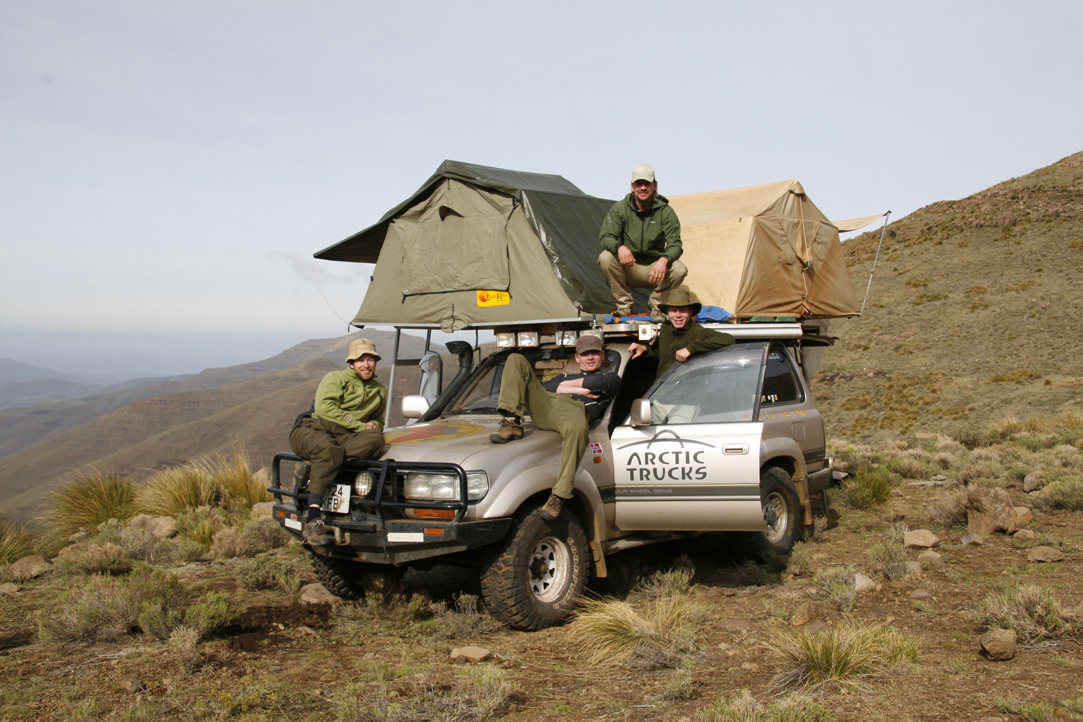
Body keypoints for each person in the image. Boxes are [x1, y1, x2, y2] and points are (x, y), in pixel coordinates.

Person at [489, 335, 621, 520]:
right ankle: (512, 421)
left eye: (594, 353)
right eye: (585, 354)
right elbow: (546, 388)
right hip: (547, 406)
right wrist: (580, 390)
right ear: (577, 358)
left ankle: (559, 495)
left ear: (602, 355)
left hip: (574, 412)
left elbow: (601, 384)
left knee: (578, 429)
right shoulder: (565, 375)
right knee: (515, 358)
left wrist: (565, 386)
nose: (590, 358)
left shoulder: (610, 377)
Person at [290, 338, 387, 546]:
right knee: (328, 449)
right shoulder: (335, 378)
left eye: (370, 359)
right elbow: (325, 409)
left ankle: (313, 466)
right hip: (314, 428)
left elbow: (378, 421)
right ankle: (314, 519)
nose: (366, 364)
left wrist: (373, 427)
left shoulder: (378, 390)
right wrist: (361, 426)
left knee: (376, 439)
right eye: (361, 360)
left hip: (344, 438)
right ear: (351, 363)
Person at [598, 163, 688, 321]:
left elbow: (676, 245)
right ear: (632, 187)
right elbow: (606, 236)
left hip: (655, 271)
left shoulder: (665, 212)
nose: (643, 188)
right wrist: (620, 247)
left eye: (647, 183)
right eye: (639, 184)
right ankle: (624, 305)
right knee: (605, 257)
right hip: (629, 267)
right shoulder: (620, 208)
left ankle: (657, 306)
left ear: (654, 186)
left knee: (679, 269)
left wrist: (664, 259)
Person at [628, 288, 734, 380]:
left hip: (686, 398)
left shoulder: (697, 331)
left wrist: (691, 349)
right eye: (673, 311)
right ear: (668, 313)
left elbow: (728, 339)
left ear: (690, 312)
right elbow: (664, 355)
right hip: (662, 391)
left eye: (683, 310)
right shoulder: (666, 327)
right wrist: (645, 349)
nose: (678, 315)